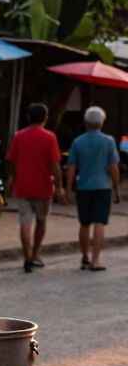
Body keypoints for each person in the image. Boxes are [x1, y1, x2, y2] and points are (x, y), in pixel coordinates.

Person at [6, 102, 65, 273]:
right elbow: (54, 165)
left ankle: (26, 257)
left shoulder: (18, 136)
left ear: (28, 117)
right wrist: (59, 186)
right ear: (45, 119)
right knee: (41, 221)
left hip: (23, 186)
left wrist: (11, 181)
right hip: (43, 187)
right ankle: (35, 253)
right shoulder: (50, 137)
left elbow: (12, 163)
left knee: (25, 223)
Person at [65, 106, 121, 271]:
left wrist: (69, 189)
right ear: (102, 122)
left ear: (85, 122)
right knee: (99, 223)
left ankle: (84, 257)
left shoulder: (77, 142)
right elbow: (114, 168)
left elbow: (72, 168)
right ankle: (95, 260)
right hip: (102, 187)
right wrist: (117, 189)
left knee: (84, 223)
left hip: (83, 187)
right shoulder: (109, 141)